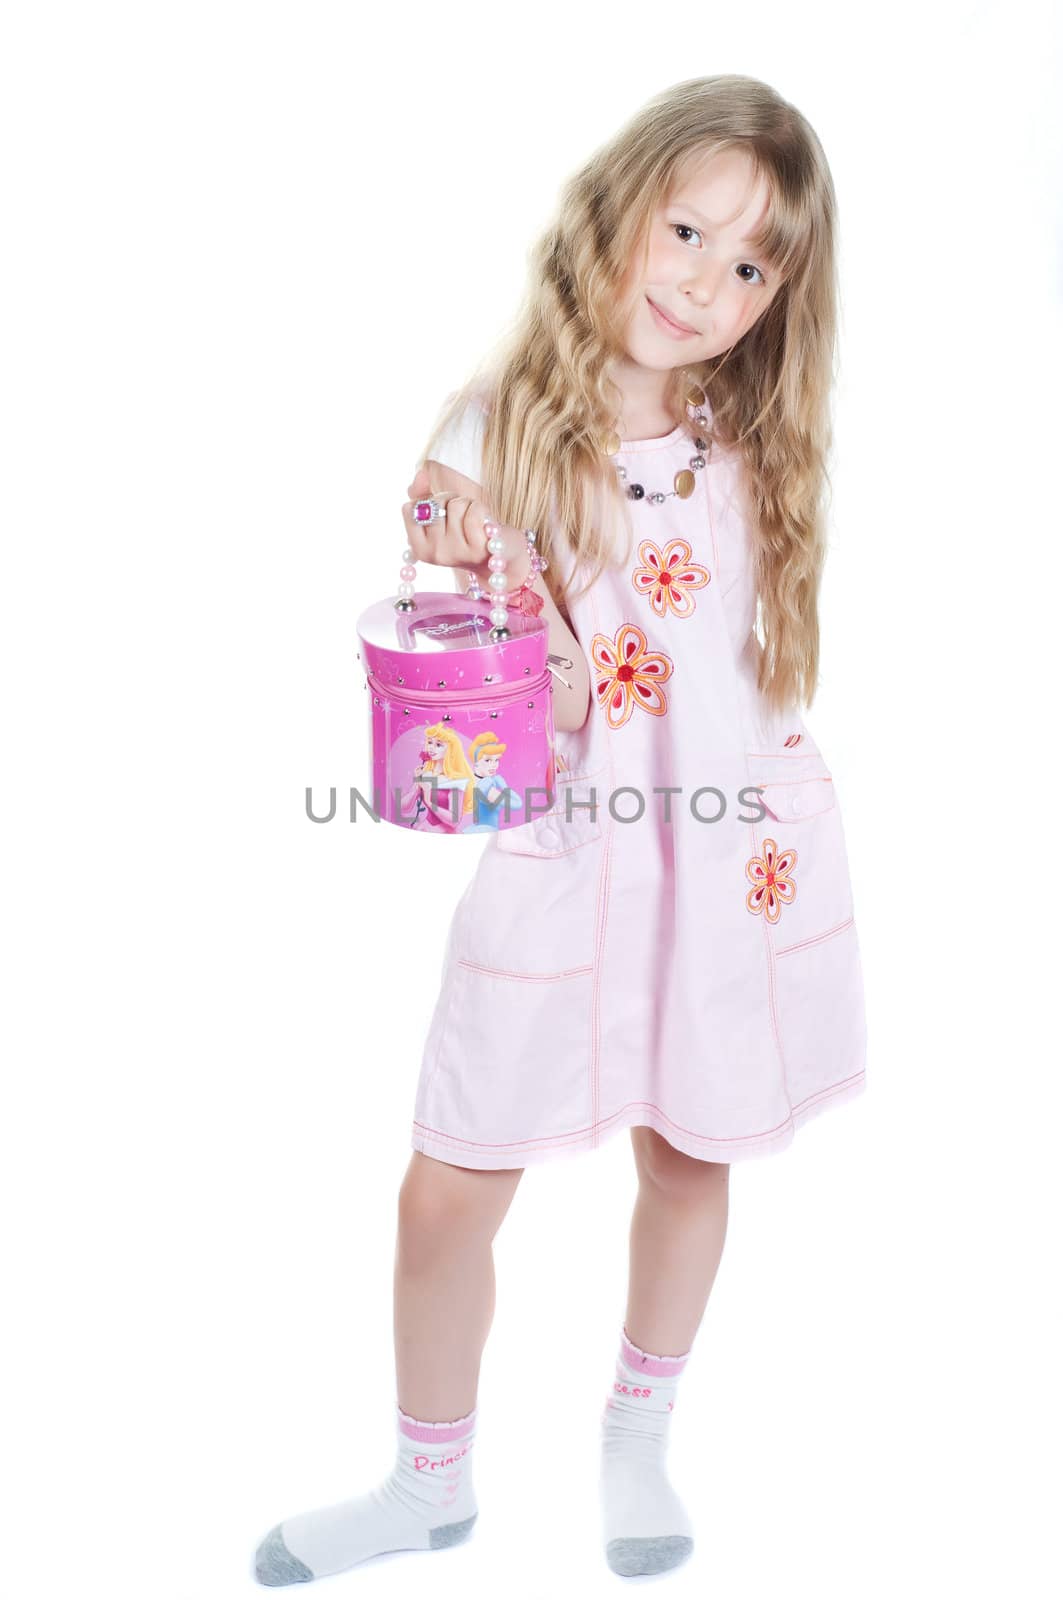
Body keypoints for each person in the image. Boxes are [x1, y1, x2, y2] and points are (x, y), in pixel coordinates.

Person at [254, 72, 867, 1586]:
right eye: (684, 230)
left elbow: (730, 664)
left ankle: (635, 1437)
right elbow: (470, 696)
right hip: (573, 850)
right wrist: (489, 598)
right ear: (614, 206)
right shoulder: (493, 430)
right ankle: (427, 1479)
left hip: (727, 847)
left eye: (749, 265)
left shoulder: (747, 428)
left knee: (691, 1150)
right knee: (451, 1177)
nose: (705, 284)